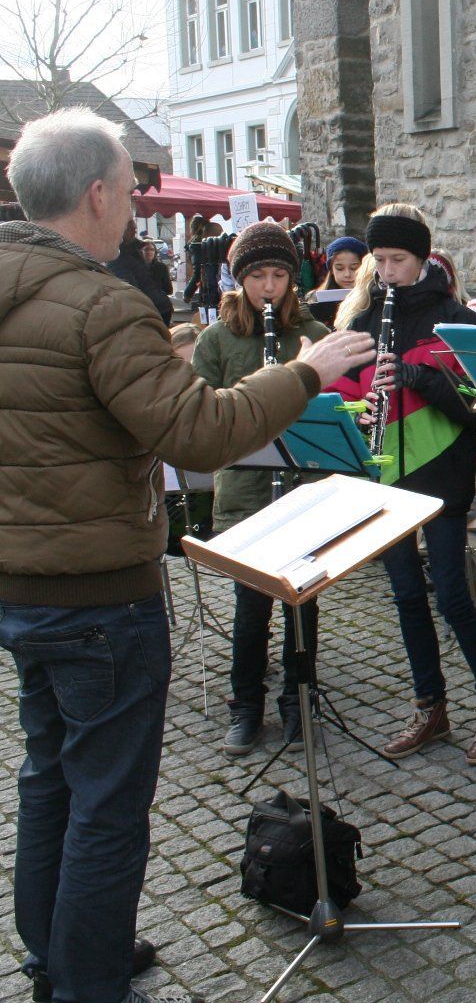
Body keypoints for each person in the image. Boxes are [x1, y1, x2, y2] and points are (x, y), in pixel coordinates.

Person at [0, 107, 370, 1003]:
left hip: (20, 584)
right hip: (97, 597)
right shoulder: (101, 303)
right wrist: (310, 373)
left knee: (49, 774)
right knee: (107, 806)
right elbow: (199, 433)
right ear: (95, 194)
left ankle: (56, 951)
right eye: (130, 192)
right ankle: (86, 981)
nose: (134, 210)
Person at [327, 205, 476, 766]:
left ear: (423, 258)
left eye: (398, 260)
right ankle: (430, 707)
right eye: (379, 260)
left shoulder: (456, 319)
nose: (387, 272)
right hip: (382, 476)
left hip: (440, 479)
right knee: (406, 595)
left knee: (454, 598)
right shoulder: (359, 320)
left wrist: (420, 379)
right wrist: (358, 412)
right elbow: (341, 393)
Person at [193, 223, 331, 755]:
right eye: (258, 277)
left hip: (303, 487)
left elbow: (337, 402)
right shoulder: (216, 338)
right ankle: (245, 705)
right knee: (250, 610)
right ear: (240, 280)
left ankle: (300, 701)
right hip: (246, 491)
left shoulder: (312, 334)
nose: (269, 287)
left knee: (303, 606)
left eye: (278, 275)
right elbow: (202, 412)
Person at [109, 228, 174, 325]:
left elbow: (132, 291)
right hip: (157, 307)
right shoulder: (133, 263)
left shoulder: (122, 262)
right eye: (145, 249)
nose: (148, 252)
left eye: (151, 250)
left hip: (153, 308)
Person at [305, 234, 367, 327]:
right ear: (331, 270)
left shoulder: (373, 299)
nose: (347, 274)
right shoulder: (314, 299)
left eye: (354, 268)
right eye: (339, 268)